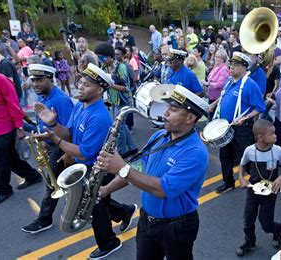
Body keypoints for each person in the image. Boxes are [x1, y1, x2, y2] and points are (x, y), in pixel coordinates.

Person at [34, 63, 137, 259]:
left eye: (87, 84)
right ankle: (125, 212)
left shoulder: (99, 117)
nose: (80, 86)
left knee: (96, 207)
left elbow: (84, 152)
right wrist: (54, 124)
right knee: (99, 203)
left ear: (99, 90)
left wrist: (56, 140)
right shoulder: (80, 106)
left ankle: (109, 243)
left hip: (98, 167)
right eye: (80, 82)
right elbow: (69, 134)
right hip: (86, 165)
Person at [96, 85, 210, 260]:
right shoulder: (159, 136)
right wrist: (105, 190)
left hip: (177, 227)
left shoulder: (196, 153)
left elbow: (163, 190)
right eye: (167, 107)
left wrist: (121, 168)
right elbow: (138, 168)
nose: (165, 113)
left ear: (190, 117)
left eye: (173, 109)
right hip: (147, 221)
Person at [20, 64, 73, 233]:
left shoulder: (60, 100)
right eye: (33, 80)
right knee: (79, 186)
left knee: (52, 185)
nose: (35, 84)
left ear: (50, 79)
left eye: (40, 80)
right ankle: (122, 210)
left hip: (61, 149)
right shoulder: (44, 97)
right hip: (52, 145)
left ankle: (44, 219)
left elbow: (69, 132)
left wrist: (67, 153)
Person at [236, 119, 281, 256]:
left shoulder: (278, 151)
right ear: (260, 137)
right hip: (253, 191)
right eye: (272, 134)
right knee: (248, 220)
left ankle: (278, 230)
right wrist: (241, 178)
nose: (276, 136)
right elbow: (242, 165)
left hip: (270, 193)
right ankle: (249, 242)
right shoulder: (250, 151)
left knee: (266, 223)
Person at [210, 52, 266, 193]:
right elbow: (223, 96)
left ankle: (257, 182)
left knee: (245, 157)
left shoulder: (250, 85)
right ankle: (228, 182)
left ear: (244, 68)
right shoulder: (229, 81)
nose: (232, 68)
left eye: (236, 65)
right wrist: (214, 105)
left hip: (242, 129)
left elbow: (260, 107)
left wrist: (245, 118)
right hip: (226, 126)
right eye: (231, 65)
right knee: (225, 156)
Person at [0, 72, 42, 205]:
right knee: (9, 157)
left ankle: (3, 189)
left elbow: (13, 104)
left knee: (0, 159)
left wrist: (19, 127)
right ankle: (32, 176)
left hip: (3, 126)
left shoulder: (1, 80)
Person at [95, 44, 137, 158]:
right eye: (98, 57)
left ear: (109, 56)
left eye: (102, 57)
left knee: (118, 127)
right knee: (122, 125)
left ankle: (123, 151)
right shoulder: (104, 67)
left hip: (123, 101)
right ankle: (133, 148)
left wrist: (111, 84)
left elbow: (126, 88)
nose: (100, 60)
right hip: (113, 100)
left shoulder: (120, 67)